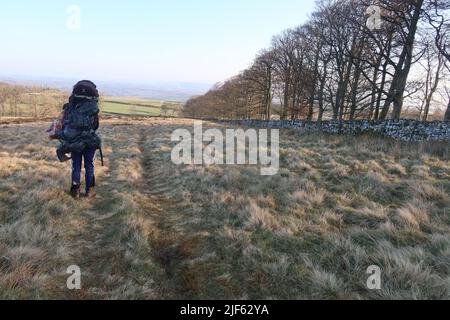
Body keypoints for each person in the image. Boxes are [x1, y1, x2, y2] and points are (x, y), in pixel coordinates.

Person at [56, 80, 102, 199]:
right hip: (90, 142)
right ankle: (89, 191)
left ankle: (75, 191)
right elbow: (96, 126)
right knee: (89, 165)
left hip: (74, 143)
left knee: (76, 166)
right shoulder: (93, 107)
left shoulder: (70, 108)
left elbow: (61, 123)